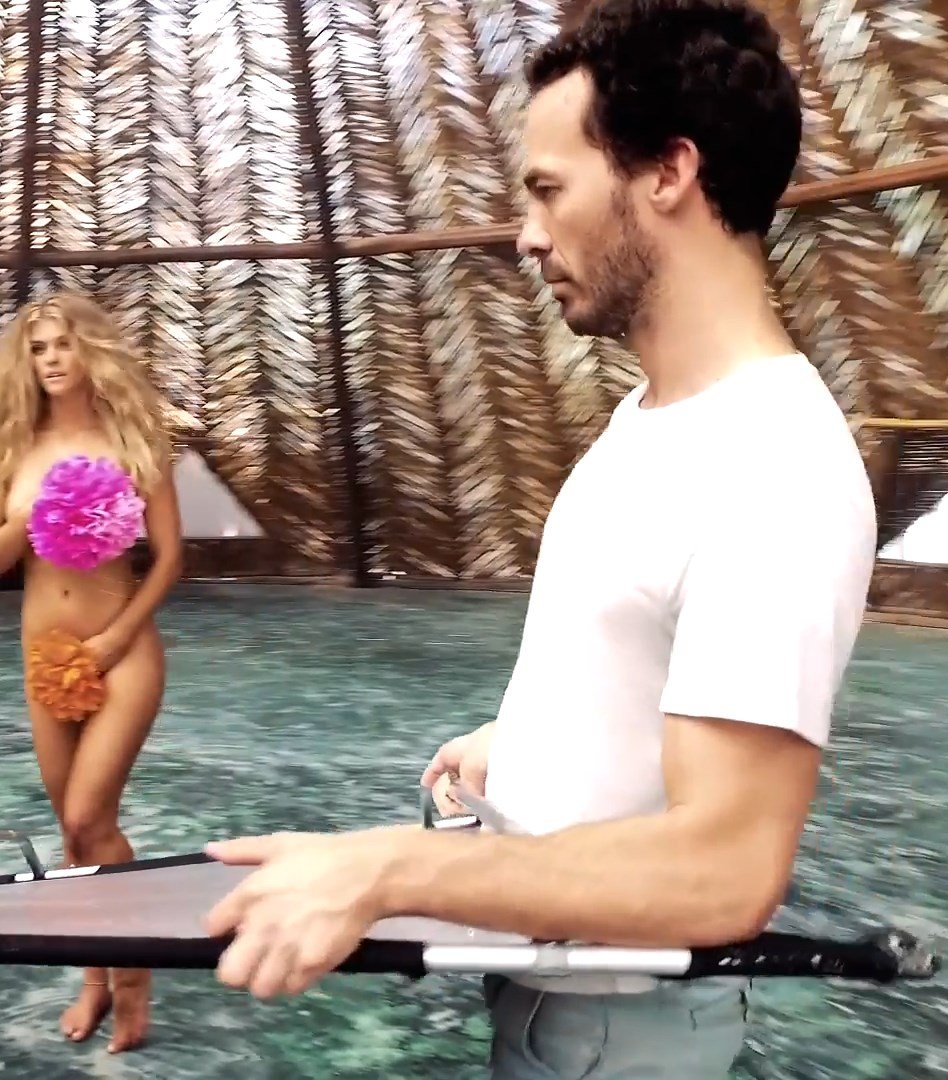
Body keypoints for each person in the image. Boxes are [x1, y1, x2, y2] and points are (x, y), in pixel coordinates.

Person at [200, 1, 877, 1076]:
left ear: (669, 172)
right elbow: (642, 663)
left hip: (624, 1039)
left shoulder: (775, 466)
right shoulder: (655, 416)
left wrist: (388, 871)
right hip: (561, 1008)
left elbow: (723, 870)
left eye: (550, 190)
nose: (525, 232)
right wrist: (522, 749)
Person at [0, 291, 184, 1053]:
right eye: (39, 348)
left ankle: (133, 979)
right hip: (45, 658)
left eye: (65, 344)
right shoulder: (5, 448)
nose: (53, 359)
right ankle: (93, 979)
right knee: (71, 831)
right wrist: (30, 513)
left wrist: (118, 637)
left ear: (91, 350)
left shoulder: (134, 439)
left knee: (91, 819)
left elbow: (171, 558)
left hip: (122, 651)